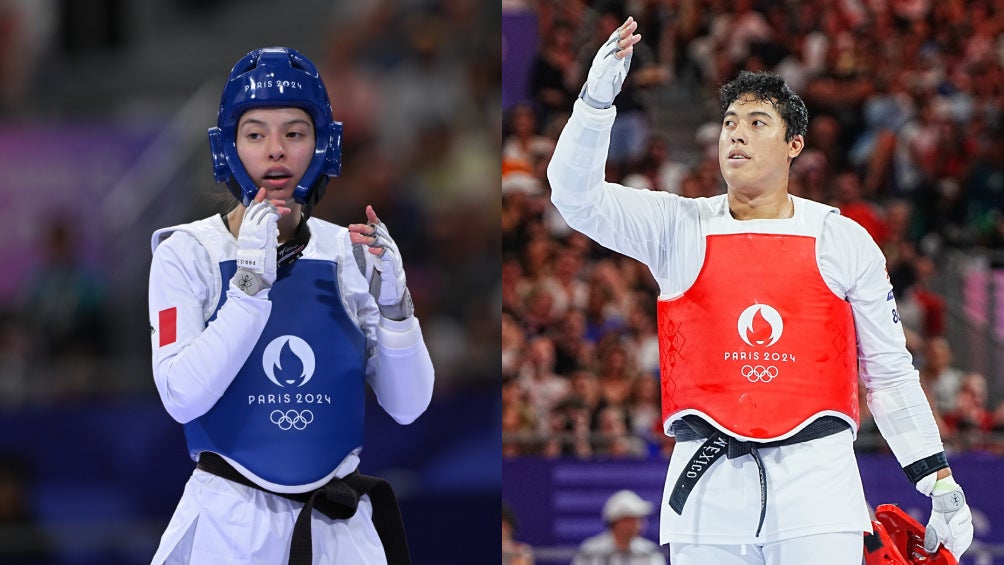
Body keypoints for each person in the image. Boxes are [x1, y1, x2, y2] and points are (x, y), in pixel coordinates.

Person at [547, 16, 973, 565]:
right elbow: (574, 197)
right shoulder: (677, 226)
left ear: (795, 144)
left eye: (756, 122)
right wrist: (594, 103)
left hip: (818, 487)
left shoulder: (842, 239)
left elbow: (889, 374)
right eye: (729, 123)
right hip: (706, 491)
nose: (736, 134)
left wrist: (939, 481)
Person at [147, 47, 434, 564]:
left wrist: (397, 310)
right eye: (255, 134)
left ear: (323, 145)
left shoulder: (348, 250)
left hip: (339, 530)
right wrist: (248, 288)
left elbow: (408, 406)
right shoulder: (187, 253)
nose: (275, 151)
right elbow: (181, 397)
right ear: (228, 147)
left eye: (294, 134)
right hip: (229, 528)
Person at [573, 489, 666, 565]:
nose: (639, 524)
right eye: (632, 519)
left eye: (640, 519)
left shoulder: (650, 552)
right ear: (617, 521)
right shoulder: (590, 551)